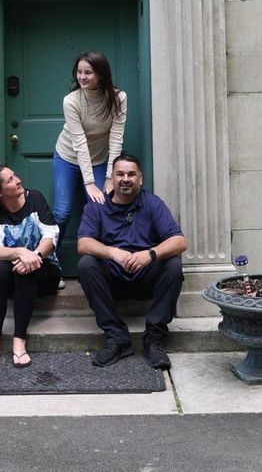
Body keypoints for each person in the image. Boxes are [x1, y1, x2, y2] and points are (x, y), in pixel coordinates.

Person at [76, 153, 185, 370]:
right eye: (120, 174)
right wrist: (112, 252)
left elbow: (179, 241)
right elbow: (83, 244)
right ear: (112, 179)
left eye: (131, 174)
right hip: (112, 282)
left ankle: (154, 339)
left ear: (140, 179)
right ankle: (117, 339)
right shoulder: (96, 206)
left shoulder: (153, 203)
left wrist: (149, 254)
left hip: (145, 279)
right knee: (86, 264)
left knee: (173, 265)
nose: (126, 178)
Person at [0, 163, 62, 370]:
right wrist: (22, 252)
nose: (18, 180)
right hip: (12, 274)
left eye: (15, 175)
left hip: (45, 271)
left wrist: (35, 256)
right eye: (10, 180)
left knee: (26, 269)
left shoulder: (35, 199)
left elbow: (51, 236)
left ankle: (19, 339)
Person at [52, 50, 127, 289]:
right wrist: (89, 182)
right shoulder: (71, 101)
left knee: (100, 208)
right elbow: (79, 142)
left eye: (88, 72)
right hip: (67, 156)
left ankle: (101, 270)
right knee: (62, 212)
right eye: (79, 72)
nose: (82, 77)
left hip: (99, 160)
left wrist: (109, 178)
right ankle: (50, 265)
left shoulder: (118, 97)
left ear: (101, 74)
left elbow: (116, 138)